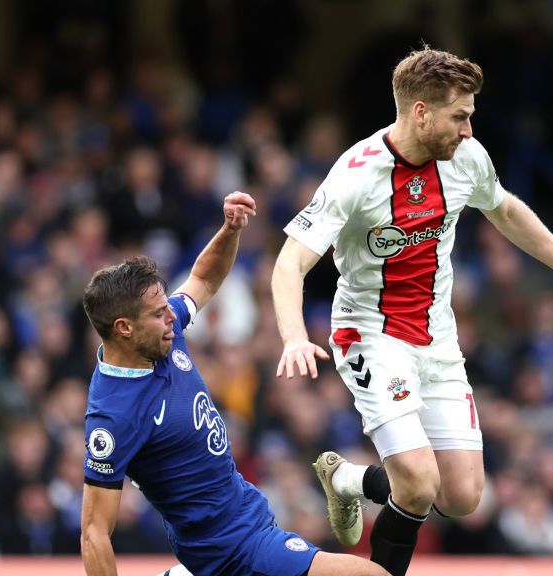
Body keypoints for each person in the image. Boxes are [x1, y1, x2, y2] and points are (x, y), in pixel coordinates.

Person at [272, 46, 553, 575]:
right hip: (371, 335)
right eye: (460, 116)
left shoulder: (466, 158)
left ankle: (348, 480)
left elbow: (506, 210)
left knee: (463, 497)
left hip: (437, 339)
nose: (469, 129)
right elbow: (289, 264)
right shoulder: (356, 174)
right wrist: (291, 336)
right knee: (419, 483)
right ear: (420, 111)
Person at [80, 191, 387, 576]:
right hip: (233, 551)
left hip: (246, 518)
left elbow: (204, 277)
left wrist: (230, 228)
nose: (172, 318)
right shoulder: (113, 417)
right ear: (124, 329)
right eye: (160, 314)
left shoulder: (158, 336)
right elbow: (94, 533)